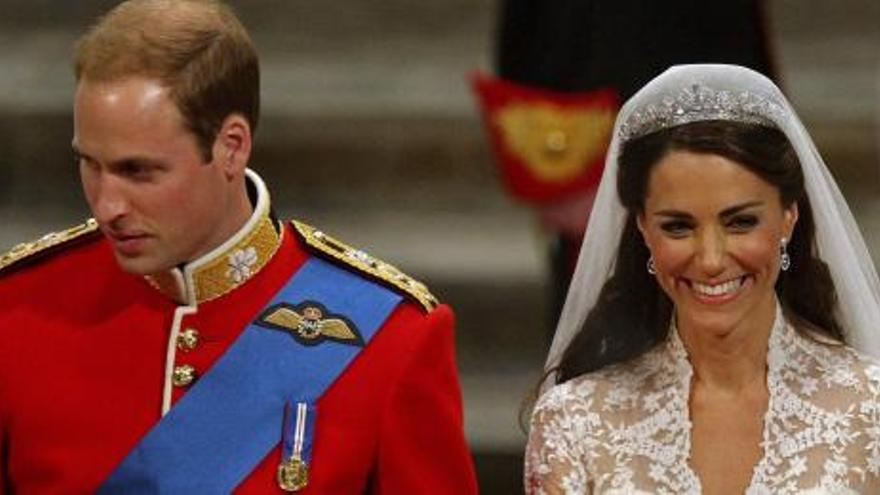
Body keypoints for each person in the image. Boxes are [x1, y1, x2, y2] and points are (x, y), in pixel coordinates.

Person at [0, 1, 478, 493]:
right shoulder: (16, 311)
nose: (107, 205)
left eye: (138, 171)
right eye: (90, 164)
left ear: (231, 146)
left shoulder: (390, 338)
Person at [524, 64, 880, 494]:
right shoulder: (575, 422)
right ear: (642, 228)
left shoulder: (870, 409)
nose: (710, 260)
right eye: (678, 226)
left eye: (741, 222)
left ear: (789, 217)